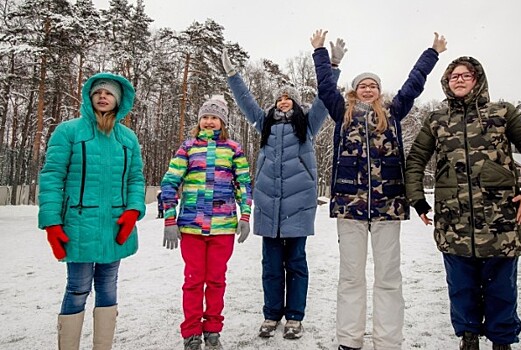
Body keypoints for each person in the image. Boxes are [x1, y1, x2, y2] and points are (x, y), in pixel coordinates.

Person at [311, 29, 447, 350]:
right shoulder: (341, 112)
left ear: (379, 92)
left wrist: (432, 53)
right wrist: (321, 53)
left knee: (388, 278)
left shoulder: (394, 112)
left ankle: (388, 342)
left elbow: (414, 85)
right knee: (351, 278)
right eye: (362, 85)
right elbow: (325, 86)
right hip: (349, 207)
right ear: (354, 92)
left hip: (388, 207)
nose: (368, 88)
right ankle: (349, 341)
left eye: (373, 85)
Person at [405, 56, 521, 350]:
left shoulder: (502, 112)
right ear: (446, 83)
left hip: (500, 219)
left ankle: (501, 340)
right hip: (453, 221)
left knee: (501, 288)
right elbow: (415, 161)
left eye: (465, 75)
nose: (458, 80)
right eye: (453, 76)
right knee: (461, 287)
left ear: (478, 79)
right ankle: (468, 337)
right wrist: (418, 200)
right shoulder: (436, 119)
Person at [221, 46, 341, 340]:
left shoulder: (308, 125)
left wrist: (333, 66)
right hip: (268, 205)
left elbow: (326, 100)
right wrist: (233, 75)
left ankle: (295, 318)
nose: (283, 101)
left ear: (296, 104)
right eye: (279, 98)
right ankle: (272, 314)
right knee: (271, 266)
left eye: (288, 98)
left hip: (298, 205)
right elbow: (245, 100)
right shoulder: (264, 123)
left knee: (296, 264)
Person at [37, 72, 145, 350]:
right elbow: (52, 176)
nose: (103, 96)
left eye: (109, 93)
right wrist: (52, 223)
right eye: (98, 92)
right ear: (89, 97)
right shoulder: (69, 131)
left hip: (115, 227)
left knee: (108, 287)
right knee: (77, 288)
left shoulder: (127, 138)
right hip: (78, 224)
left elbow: (135, 178)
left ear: (119, 100)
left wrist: (133, 210)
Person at [160, 96, 252, 350]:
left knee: (216, 280)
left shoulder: (233, 149)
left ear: (223, 122)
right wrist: (169, 219)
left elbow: (243, 184)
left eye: (215, 117)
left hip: (222, 227)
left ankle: (212, 329)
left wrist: (244, 215)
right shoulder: (188, 147)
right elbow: (169, 182)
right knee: (193, 280)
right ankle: (191, 332)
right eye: (205, 117)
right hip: (191, 227)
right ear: (199, 120)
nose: (209, 121)